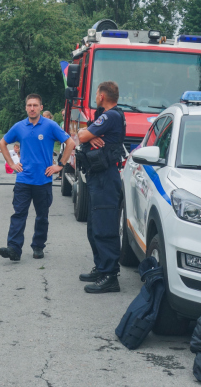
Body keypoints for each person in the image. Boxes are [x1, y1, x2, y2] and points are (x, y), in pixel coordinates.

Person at [0, 94, 75, 261]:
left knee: (42, 216)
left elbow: (70, 143)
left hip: (43, 180)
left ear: (41, 107)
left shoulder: (50, 126)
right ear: (26, 107)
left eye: (35, 105)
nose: (32, 108)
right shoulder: (19, 127)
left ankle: (38, 246)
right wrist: (11, 164)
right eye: (29, 105)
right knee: (19, 214)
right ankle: (14, 248)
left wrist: (60, 165)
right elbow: (2, 143)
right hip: (23, 180)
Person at [77, 81, 126, 293]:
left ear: (102, 96)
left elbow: (81, 135)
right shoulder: (104, 115)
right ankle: (101, 267)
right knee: (95, 227)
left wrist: (90, 134)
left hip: (106, 177)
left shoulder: (111, 115)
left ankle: (110, 276)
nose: (95, 96)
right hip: (98, 176)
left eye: (96, 93)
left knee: (105, 228)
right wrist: (92, 134)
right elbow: (81, 133)